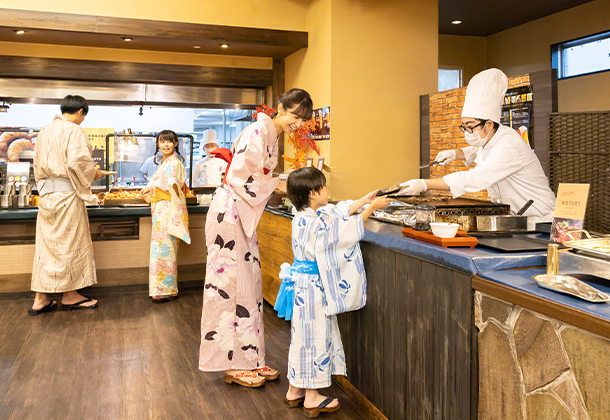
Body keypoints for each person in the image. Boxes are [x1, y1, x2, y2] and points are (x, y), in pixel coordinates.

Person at [199, 88, 313, 387]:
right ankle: (234, 365)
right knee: (230, 285)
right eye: (294, 116)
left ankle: (251, 358)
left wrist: (280, 183)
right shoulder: (257, 131)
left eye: (303, 120)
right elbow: (241, 178)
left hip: (239, 211)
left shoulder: (269, 134)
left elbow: (255, 178)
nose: (298, 124)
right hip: (230, 211)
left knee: (248, 284)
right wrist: (287, 184)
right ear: (280, 108)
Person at [276, 167, 391, 417]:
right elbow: (342, 231)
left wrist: (364, 200)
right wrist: (371, 209)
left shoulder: (304, 215)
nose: (328, 190)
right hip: (314, 289)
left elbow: (335, 214)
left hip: (303, 286)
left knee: (302, 339)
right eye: (325, 186)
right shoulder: (315, 222)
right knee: (317, 338)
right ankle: (313, 397)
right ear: (313, 192)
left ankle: (295, 390)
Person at [398, 68, 555, 230]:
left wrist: (425, 184)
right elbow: (476, 151)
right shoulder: (491, 138)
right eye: (464, 127)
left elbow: (476, 178)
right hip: (519, 219)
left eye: (471, 127)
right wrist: (453, 154)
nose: (467, 132)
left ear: (489, 123)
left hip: (541, 220)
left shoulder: (509, 145)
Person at [29, 94, 104, 315]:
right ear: (81, 112)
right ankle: (70, 295)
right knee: (69, 244)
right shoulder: (73, 130)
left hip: (46, 197)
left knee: (46, 247)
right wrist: (95, 173)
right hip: (67, 196)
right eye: (84, 115)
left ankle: (40, 297)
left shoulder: (44, 130)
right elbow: (77, 162)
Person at [140, 130, 191, 301]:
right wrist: (149, 188)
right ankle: (161, 289)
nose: (166, 145)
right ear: (158, 144)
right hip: (160, 211)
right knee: (159, 250)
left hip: (168, 210)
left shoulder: (175, 163)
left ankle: (166, 290)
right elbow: (160, 184)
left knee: (165, 250)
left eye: (169, 141)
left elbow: (173, 186)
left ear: (176, 143)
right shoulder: (164, 163)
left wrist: (152, 188)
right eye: (162, 141)